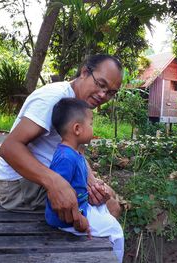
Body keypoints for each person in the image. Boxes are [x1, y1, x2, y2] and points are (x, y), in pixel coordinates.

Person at [0, 54, 123, 224]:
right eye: (101, 84)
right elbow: (9, 148)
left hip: (46, 177)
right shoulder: (53, 98)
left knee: (109, 195)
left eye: (110, 93)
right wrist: (54, 183)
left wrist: (90, 180)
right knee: (110, 208)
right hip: (19, 187)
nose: (102, 95)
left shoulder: (79, 104)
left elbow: (75, 148)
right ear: (84, 72)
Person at [45, 98, 124, 262]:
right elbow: (58, 197)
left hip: (82, 207)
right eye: (91, 123)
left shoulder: (75, 153)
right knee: (115, 229)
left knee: (107, 210)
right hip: (68, 219)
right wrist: (78, 219)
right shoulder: (66, 158)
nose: (93, 128)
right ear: (77, 129)